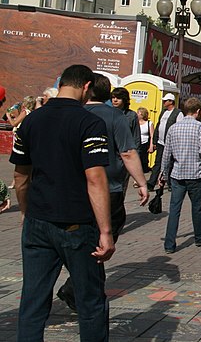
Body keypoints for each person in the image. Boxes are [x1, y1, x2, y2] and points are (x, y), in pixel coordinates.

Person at [10, 64, 114, 341]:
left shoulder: (31, 121)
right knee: (90, 300)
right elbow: (95, 179)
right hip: (76, 223)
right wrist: (105, 231)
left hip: (37, 221)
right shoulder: (89, 122)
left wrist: (25, 212)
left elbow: (21, 177)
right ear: (86, 87)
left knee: (32, 301)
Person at [57, 73, 149, 311]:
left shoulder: (74, 114)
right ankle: (78, 288)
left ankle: (78, 286)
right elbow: (128, 152)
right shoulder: (115, 117)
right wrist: (142, 182)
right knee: (103, 240)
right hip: (109, 187)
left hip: (74, 188)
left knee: (81, 238)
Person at [157, 97, 201, 253]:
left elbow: (166, 154)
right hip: (194, 173)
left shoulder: (173, 128)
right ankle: (200, 236)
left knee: (174, 209)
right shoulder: (200, 127)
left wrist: (163, 174)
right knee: (197, 207)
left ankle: (169, 244)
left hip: (177, 174)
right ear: (197, 111)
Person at [147, 93, 184, 191]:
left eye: (165, 101)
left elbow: (179, 128)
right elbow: (158, 126)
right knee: (158, 163)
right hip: (160, 142)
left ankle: (171, 183)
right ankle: (151, 183)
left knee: (170, 163)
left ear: (171, 102)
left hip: (171, 143)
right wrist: (154, 141)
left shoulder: (178, 113)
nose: (164, 102)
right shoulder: (163, 112)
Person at [136, 107, 154, 175]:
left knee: (143, 162)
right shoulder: (135, 122)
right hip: (136, 144)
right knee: (136, 161)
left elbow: (152, 135)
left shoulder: (149, 123)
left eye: (138, 113)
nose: (136, 114)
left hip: (145, 144)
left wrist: (151, 146)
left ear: (142, 114)